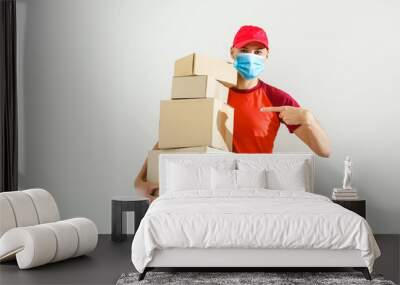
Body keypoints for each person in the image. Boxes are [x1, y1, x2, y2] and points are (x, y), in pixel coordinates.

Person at [135, 25, 331, 202]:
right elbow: (175, 136)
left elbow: (324, 150)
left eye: (258, 52)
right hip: (210, 184)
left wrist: (309, 119)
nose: (251, 57)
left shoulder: (277, 99)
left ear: (267, 55)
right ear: (232, 52)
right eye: (244, 51)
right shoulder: (212, 90)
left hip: (255, 185)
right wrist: (140, 180)